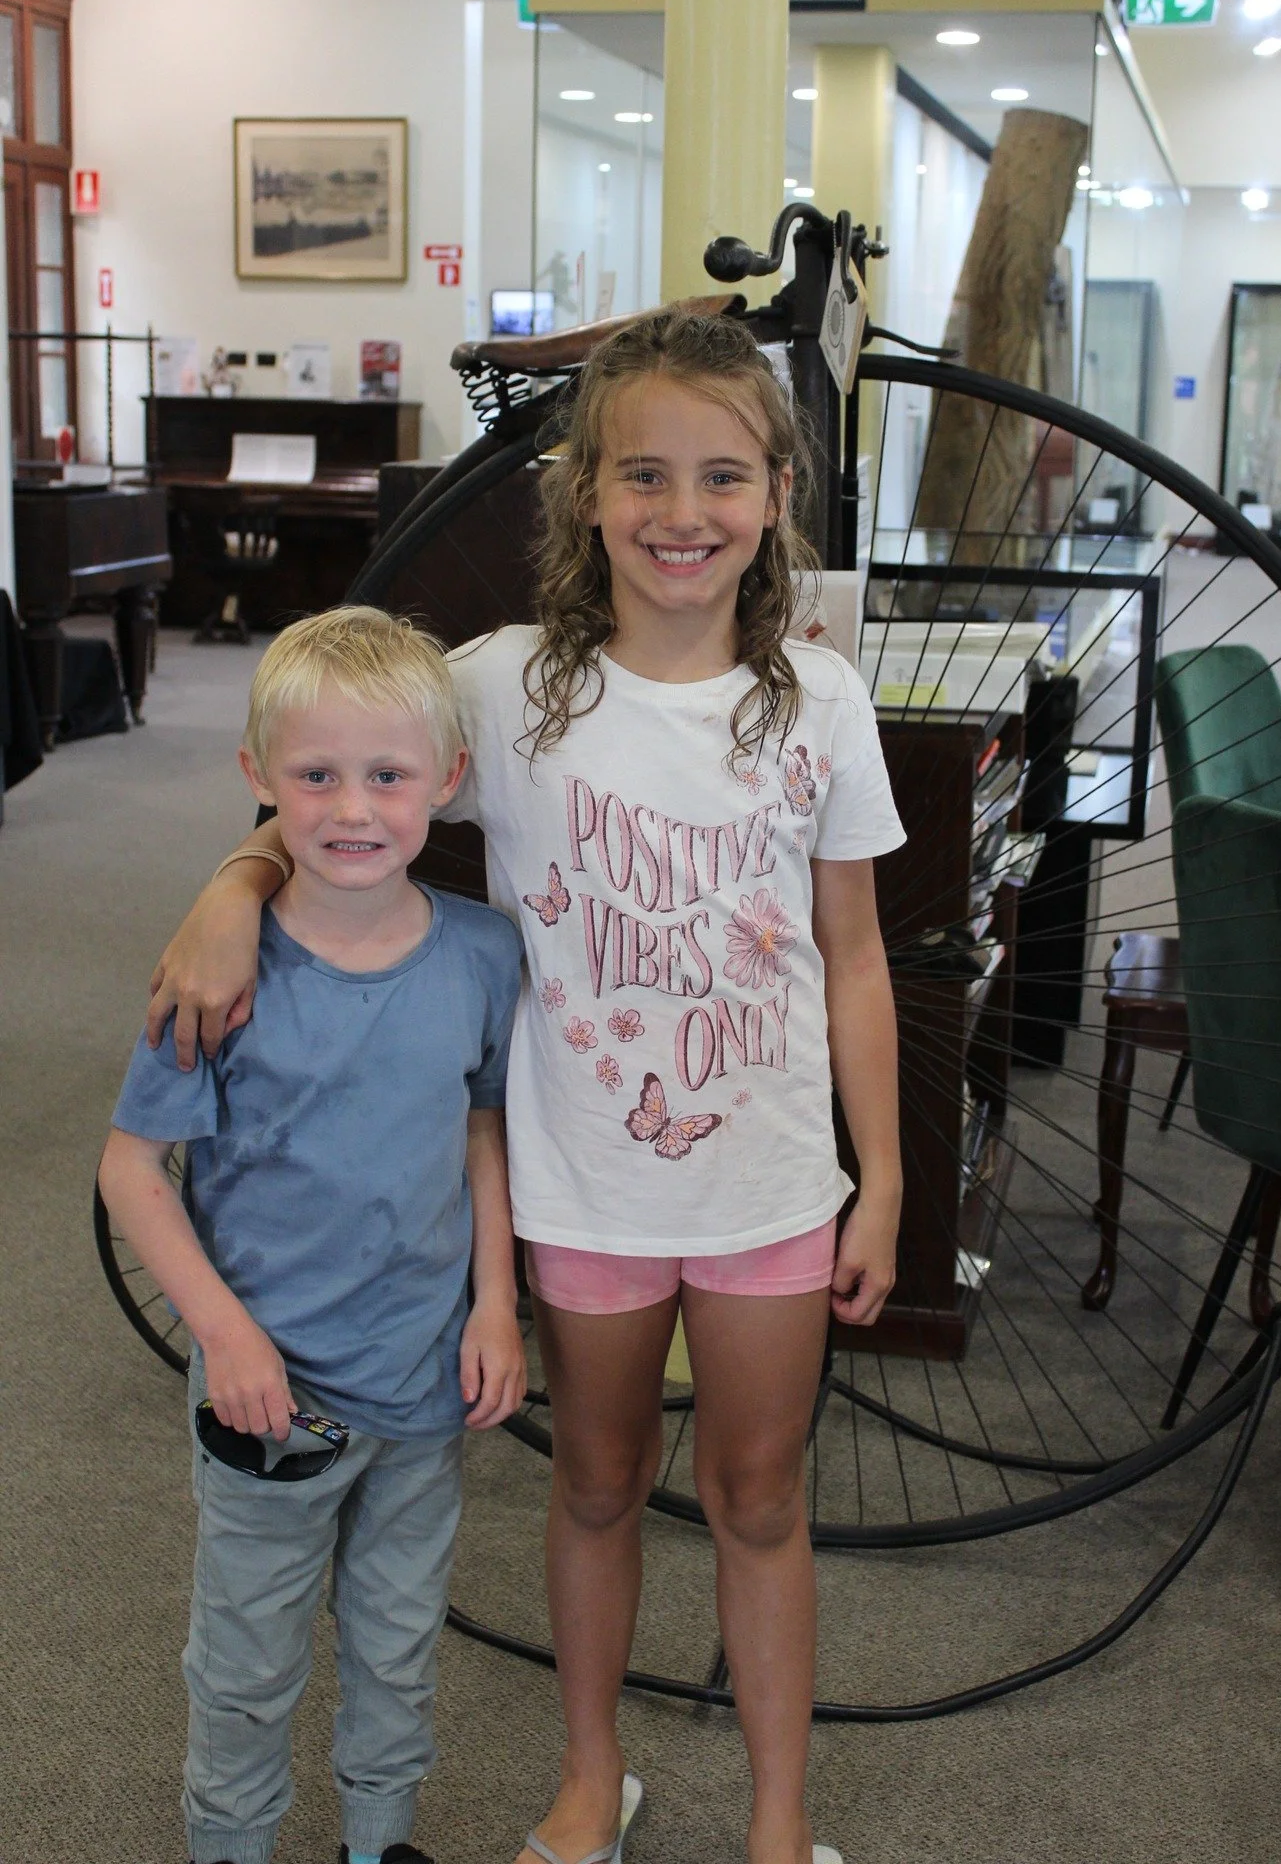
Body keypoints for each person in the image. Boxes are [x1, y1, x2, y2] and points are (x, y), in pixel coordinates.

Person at [149, 307, 907, 1864]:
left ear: (776, 494)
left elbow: (854, 957)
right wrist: (234, 883)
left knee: (761, 1498)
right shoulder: (509, 690)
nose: (679, 514)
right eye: (641, 475)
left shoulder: (817, 704)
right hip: (585, 1184)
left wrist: (881, 1173)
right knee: (597, 1483)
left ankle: (778, 1817)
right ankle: (586, 1774)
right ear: (584, 496)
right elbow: (350, 776)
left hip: (768, 1181)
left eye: (719, 477)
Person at [102, 605, 526, 1864]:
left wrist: (497, 1300)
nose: (355, 807)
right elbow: (133, 1172)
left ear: (446, 782)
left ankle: (377, 1841)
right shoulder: (217, 977)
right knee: (244, 1665)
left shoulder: (481, 955)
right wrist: (222, 1334)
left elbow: (482, 1130)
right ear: (257, 780)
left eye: (390, 774)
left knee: (397, 1646)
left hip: (421, 1388)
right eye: (317, 775)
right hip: (265, 1401)